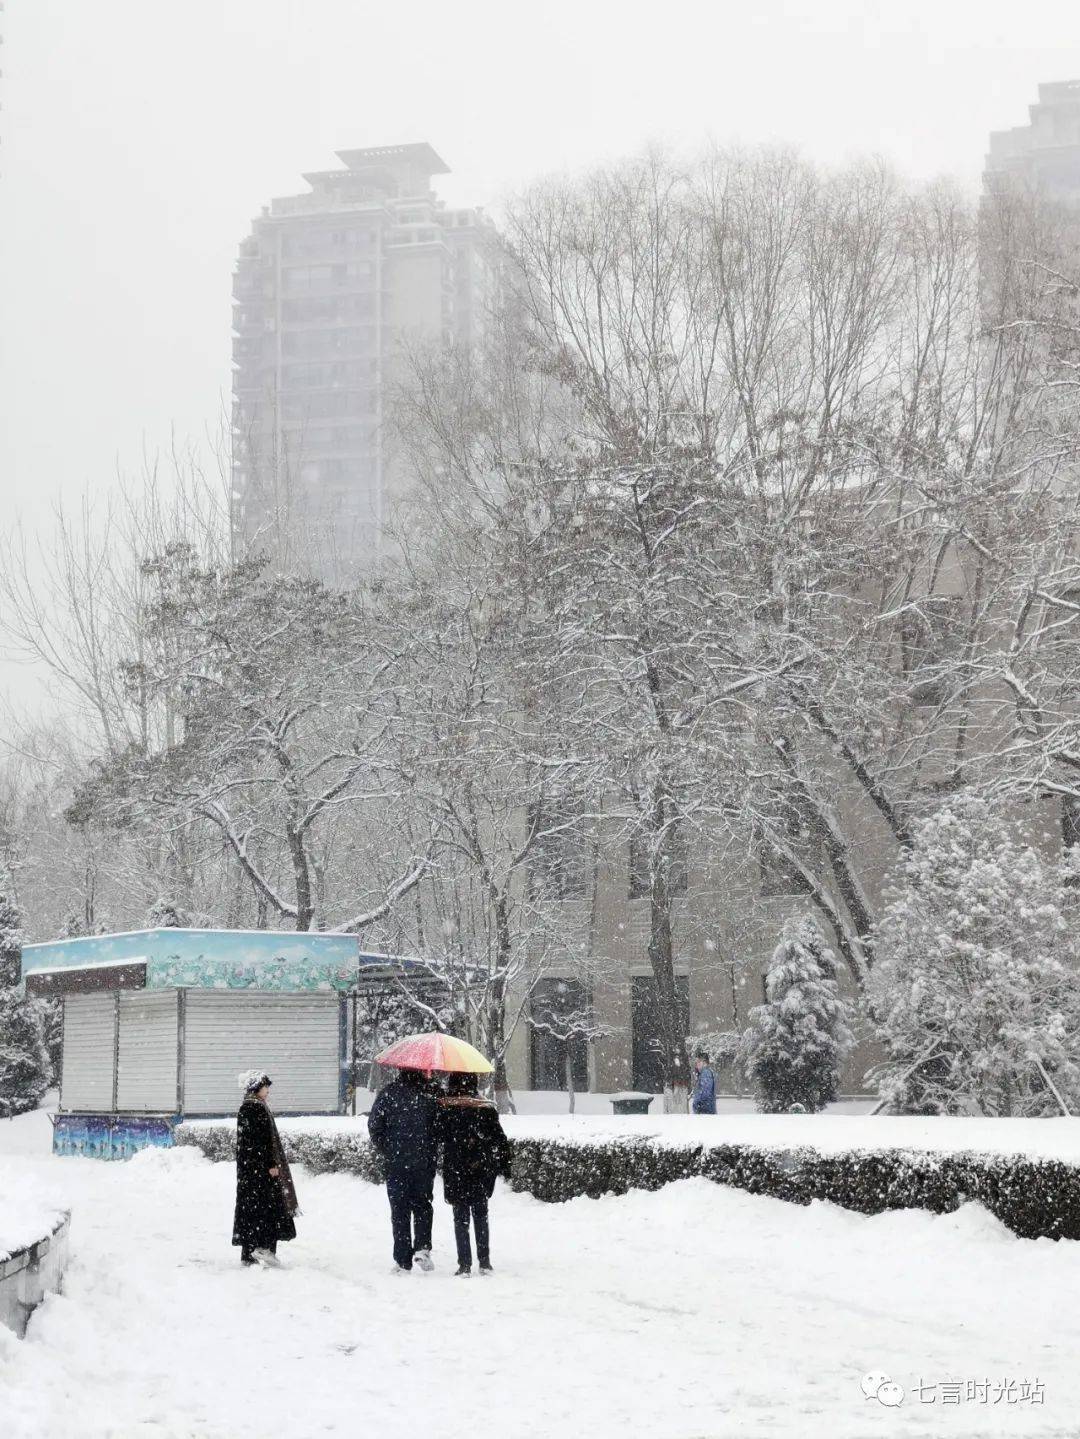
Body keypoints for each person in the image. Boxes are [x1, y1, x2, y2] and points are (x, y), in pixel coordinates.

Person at [435, 1072, 513, 1276]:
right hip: (480, 1170)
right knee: (480, 1215)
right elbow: (500, 1140)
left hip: (456, 1170)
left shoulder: (447, 1109)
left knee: (460, 1218)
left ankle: (464, 1264)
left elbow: (438, 1136)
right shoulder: (485, 1108)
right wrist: (504, 1166)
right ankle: (485, 1262)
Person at [367, 1066, 439, 1273]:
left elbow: (374, 1125)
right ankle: (423, 1248)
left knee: (399, 1210)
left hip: (396, 1163)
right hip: (424, 1162)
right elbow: (442, 1125)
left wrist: (388, 1148)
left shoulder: (389, 1093)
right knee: (423, 1205)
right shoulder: (431, 1093)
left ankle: (402, 1259)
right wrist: (430, 1146)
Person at [232, 1070, 299, 1268]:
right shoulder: (256, 1108)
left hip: (249, 1171)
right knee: (267, 1209)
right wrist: (270, 1164)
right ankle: (265, 1248)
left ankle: (248, 1252)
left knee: (250, 1208)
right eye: (265, 1086)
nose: (267, 1090)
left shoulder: (248, 1106)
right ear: (256, 1087)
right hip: (260, 1171)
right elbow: (261, 1141)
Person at [690, 1050, 717, 1115]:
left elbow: (705, 1092)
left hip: (705, 1110)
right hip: (705, 1109)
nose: (697, 1064)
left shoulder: (706, 1073)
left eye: (699, 1062)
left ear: (704, 1062)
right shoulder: (703, 1073)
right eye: (696, 1062)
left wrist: (698, 1104)